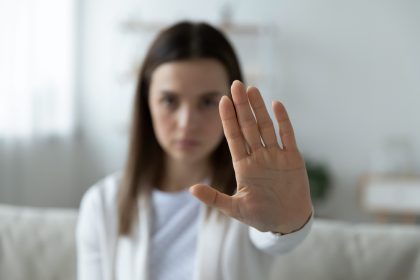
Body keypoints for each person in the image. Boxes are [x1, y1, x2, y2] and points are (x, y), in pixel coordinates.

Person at [76, 21, 313, 280]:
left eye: (208, 102)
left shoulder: (252, 195)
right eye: (169, 100)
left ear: (233, 106)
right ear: (147, 104)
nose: (187, 122)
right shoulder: (101, 203)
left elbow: (275, 236)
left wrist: (286, 224)